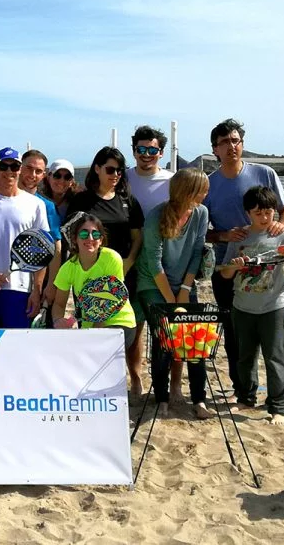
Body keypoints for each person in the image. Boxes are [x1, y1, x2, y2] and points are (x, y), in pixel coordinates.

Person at [203, 118, 284, 418]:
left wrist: (278, 228)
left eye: (235, 140)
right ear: (215, 149)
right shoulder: (209, 184)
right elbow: (201, 229)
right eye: (224, 142)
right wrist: (223, 235)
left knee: (282, 337)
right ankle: (242, 391)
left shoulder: (264, 173)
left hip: (270, 268)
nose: (231, 146)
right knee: (235, 333)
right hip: (231, 266)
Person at [220, 186, 284, 424]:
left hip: (273, 306)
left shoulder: (281, 235)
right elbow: (224, 273)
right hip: (242, 306)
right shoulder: (241, 237)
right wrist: (234, 266)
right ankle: (246, 396)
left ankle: (278, 406)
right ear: (248, 214)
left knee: (275, 356)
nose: (264, 218)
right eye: (258, 214)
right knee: (245, 356)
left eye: (269, 213)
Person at [65, 146, 145, 393]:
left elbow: (137, 236)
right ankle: (99, 384)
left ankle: (135, 377)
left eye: (120, 170)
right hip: (89, 278)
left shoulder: (127, 201)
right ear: (97, 169)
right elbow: (71, 236)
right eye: (110, 169)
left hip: (122, 273)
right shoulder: (81, 200)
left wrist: (128, 261)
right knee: (93, 331)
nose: (115, 174)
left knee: (130, 328)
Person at [137, 168, 212, 419]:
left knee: (195, 340)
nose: (206, 193)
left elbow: (196, 252)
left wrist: (186, 290)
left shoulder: (201, 213)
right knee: (165, 341)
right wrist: (171, 300)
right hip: (153, 284)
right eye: (202, 189)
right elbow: (154, 262)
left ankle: (199, 399)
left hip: (183, 284)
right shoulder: (157, 215)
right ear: (186, 191)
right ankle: (162, 399)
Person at [0, 147, 50, 328]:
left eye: (14, 166)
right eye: (3, 166)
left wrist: (36, 291)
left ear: (20, 169)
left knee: (17, 350)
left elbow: (41, 253)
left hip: (20, 291)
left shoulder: (36, 205)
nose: (9, 171)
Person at [126, 126, 175, 397]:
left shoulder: (172, 181)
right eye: (141, 149)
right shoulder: (122, 179)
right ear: (134, 151)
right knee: (133, 325)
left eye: (152, 150)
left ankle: (170, 385)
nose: (147, 155)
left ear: (161, 152)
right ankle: (136, 378)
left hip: (163, 262)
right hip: (130, 261)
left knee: (166, 326)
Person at [51, 212, 137, 346]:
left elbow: (110, 301)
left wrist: (93, 334)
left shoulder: (112, 258)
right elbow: (59, 304)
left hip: (120, 322)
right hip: (90, 327)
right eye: (84, 234)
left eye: (95, 234)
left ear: (101, 240)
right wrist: (58, 321)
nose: (90, 238)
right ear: (75, 239)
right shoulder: (68, 268)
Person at [18, 150, 63, 309]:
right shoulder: (1, 198)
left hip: (33, 283)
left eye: (38, 171)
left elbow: (55, 247)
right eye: (29, 168)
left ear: (44, 175)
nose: (33, 174)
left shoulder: (47, 206)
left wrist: (51, 284)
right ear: (20, 168)